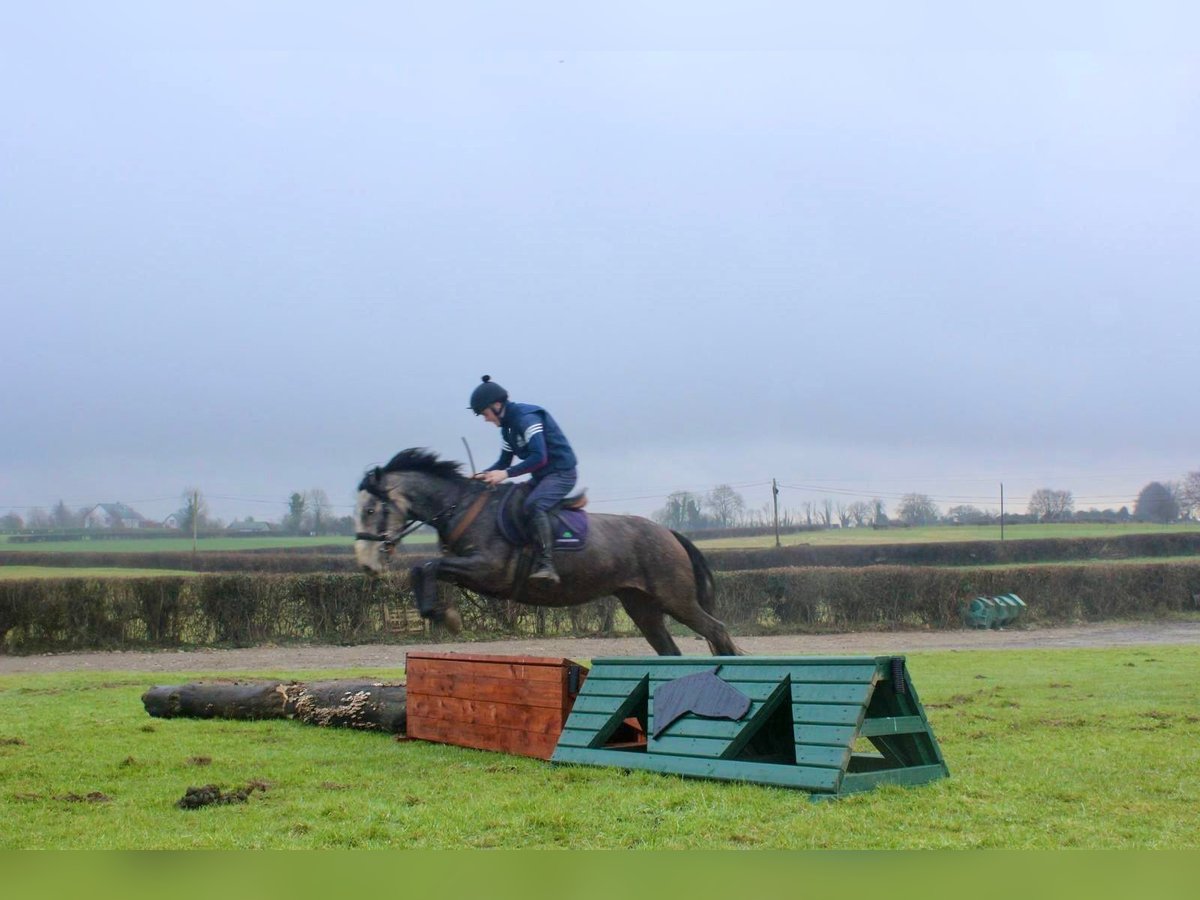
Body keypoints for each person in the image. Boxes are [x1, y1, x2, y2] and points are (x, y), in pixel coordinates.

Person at [469, 375, 577, 583]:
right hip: (543, 476)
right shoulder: (508, 429)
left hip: (562, 474)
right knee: (515, 503)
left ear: (497, 405)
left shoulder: (527, 419)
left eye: (485, 414)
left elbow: (540, 456)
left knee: (535, 505)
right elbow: (503, 461)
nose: (486, 419)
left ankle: (547, 564)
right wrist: (482, 475)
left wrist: (506, 474)